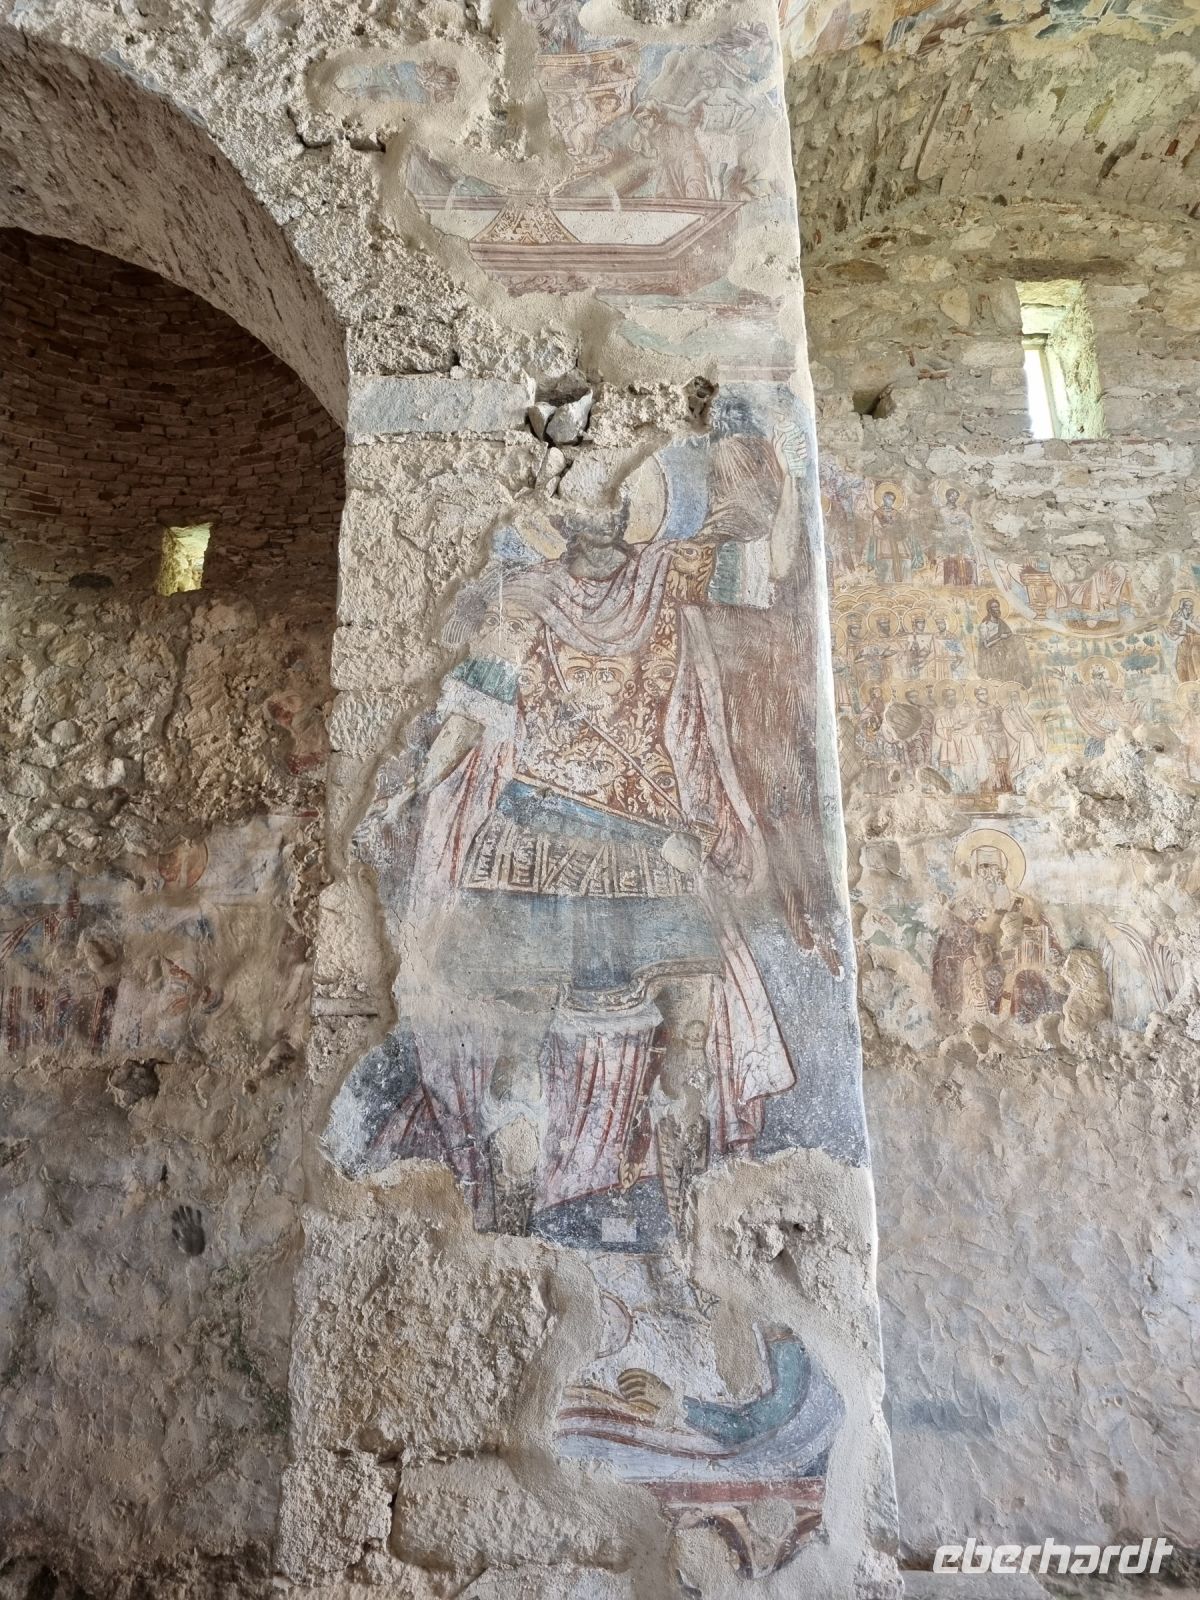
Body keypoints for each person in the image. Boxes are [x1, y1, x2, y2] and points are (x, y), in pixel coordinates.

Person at [335, 440, 807, 1246]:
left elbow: (771, 542)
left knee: (668, 1047)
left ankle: (665, 1241)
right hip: (584, 850)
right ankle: (535, 1241)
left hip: (600, 851)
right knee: (545, 1058)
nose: (609, 532)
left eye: (622, 516)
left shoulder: (630, 589)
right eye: (598, 518)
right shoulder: (567, 598)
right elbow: (470, 712)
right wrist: (405, 792)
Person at [975, 597, 1033, 687]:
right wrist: (1000, 638)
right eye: (994, 607)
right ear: (989, 610)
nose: (997, 609)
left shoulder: (1000, 622)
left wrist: (1016, 638)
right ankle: (1007, 681)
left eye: (997, 606)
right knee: (1009, 656)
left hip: (1004, 647)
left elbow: (1009, 634)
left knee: (1018, 643)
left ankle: (1022, 678)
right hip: (991, 652)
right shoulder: (984, 625)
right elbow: (986, 646)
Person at [1167, 597, 1200, 682]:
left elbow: (1198, 631)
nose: (1189, 608)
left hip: (1193, 646)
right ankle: (1184, 683)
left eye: (1191, 606)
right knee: (1181, 666)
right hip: (1182, 645)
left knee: (1192, 665)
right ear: (1182, 607)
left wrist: (1188, 624)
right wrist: (1181, 625)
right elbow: (1171, 629)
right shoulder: (1177, 617)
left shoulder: (1193, 618)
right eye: (1187, 606)